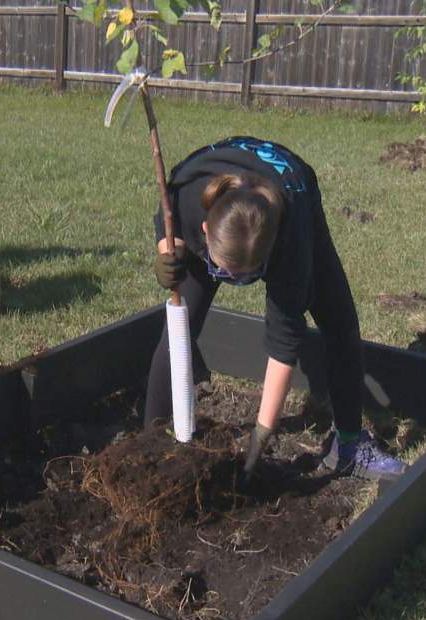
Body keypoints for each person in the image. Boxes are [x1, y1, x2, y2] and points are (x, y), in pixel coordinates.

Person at [146, 136, 405, 480]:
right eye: (221, 268)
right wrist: (168, 251)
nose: (227, 279)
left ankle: (348, 446)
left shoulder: (290, 246)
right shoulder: (193, 199)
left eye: (242, 275)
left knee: (340, 320)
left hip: (296, 190)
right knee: (179, 328)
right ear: (205, 231)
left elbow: (284, 344)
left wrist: (260, 437)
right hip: (217, 195)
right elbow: (168, 215)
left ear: (267, 259)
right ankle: (150, 441)